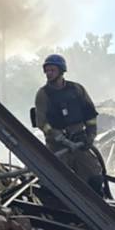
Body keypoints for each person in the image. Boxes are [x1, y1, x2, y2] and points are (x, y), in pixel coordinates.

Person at [33, 54, 104, 195]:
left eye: (52, 70)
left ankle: (96, 206)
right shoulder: (43, 94)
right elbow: (41, 122)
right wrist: (58, 136)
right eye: (47, 70)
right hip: (57, 147)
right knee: (52, 183)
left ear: (61, 71)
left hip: (79, 141)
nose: (48, 73)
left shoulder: (77, 89)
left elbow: (90, 115)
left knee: (94, 176)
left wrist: (90, 136)